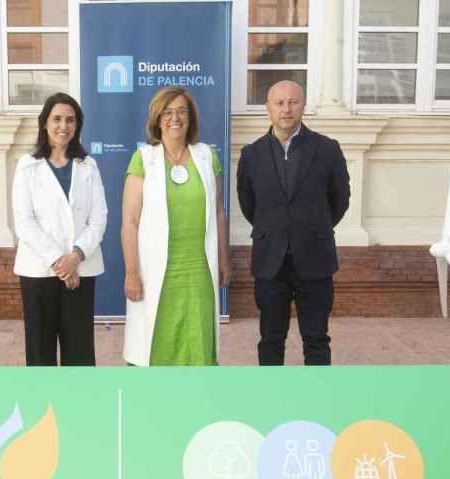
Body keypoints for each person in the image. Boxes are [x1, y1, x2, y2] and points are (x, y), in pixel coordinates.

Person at [236, 80, 350, 366]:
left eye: (293, 102)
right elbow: (249, 204)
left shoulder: (327, 149)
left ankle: (317, 402)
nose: (286, 109)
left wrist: (310, 227)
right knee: (271, 338)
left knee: (317, 338)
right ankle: (271, 402)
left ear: (303, 105)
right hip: (270, 262)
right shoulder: (251, 154)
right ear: (268, 108)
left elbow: (339, 201)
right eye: (279, 103)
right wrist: (276, 229)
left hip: (315, 258)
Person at [122, 87, 229, 366]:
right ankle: (154, 405)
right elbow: (130, 223)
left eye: (182, 111)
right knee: (157, 341)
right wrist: (132, 272)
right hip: (156, 268)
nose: (175, 118)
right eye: (167, 112)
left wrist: (224, 260)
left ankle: (198, 403)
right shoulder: (144, 159)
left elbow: (219, 212)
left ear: (191, 117)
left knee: (199, 341)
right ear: (157, 119)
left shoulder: (207, 156)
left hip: (199, 269)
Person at [12, 92, 108, 366]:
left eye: (70, 120)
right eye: (56, 119)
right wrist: (59, 262)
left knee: (79, 350)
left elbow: (99, 218)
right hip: (39, 272)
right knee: (40, 351)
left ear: (77, 125)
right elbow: (24, 222)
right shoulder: (27, 166)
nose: (63, 126)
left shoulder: (88, 165)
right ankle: (43, 406)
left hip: (82, 269)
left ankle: (78, 407)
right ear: (44, 123)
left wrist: (75, 257)